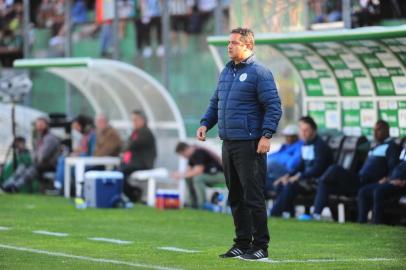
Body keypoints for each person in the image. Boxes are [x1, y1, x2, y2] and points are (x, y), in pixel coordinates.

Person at [197, 27, 282, 260]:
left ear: (248, 46)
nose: (229, 46)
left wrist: (266, 135)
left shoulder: (260, 73)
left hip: (250, 143)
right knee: (235, 196)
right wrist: (206, 123)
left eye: (234, 42)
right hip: (229, 142)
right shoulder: (226, 71)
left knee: (252, 196)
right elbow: (217, 102)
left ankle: (260, 246)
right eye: (229, 42)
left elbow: (273, 106)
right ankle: (242, 243)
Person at [311, 120, 400, 220]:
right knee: (324, 184)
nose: (375, 133)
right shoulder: (375, 146)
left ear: (387, 130)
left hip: (367, 182)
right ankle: (316, 215)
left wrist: (387, 178)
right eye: (374, 130)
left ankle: (318, 180)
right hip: (358, 180)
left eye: (378, 130)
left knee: (334, 169)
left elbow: (394, 167)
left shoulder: (391, 147)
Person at [270, 116, 333, 217]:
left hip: (315, 182)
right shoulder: (306, 144)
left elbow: (317, 169)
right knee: (281, 184)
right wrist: (287, 176)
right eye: (301, 130)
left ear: (314, 130)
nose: (303, 133)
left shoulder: (320, 146)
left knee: (290, 185)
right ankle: (288, 213)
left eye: (306, 130)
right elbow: (301, 165)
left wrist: (298, 176)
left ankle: (274, 213)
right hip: (305, 180)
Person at [2, 117, 60, 193]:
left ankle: (15, 187)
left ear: (46, 125)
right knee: (23, 166)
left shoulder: (50, 138)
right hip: (40, 164)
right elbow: (36, 154)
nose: (39, 126)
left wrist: (34, 155)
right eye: (38, 124)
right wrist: (34, 155)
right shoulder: (38, 137)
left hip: (50, 165)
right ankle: (7, 184)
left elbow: (43, 156)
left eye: (41, 124)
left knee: (33, 168)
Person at [358, 146, 406, 224]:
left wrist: (404, 182)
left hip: (401, 185)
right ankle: (361, 222)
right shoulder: (402, 152)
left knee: (378, 191)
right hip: (392, 181)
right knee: (363, 191)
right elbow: (396, 169)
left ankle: (376, 222)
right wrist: (388, 178)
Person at [173, 142, 223, 208]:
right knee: (188, 178)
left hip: (221, 175)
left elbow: (199, 170)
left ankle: (202, 205)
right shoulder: (191, 156)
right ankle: (190, 204)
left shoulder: (198, 152)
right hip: (210, 175)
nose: (183, 157)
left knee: (198, 178)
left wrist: (181, 175)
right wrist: (180, 174)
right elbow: (189, 171)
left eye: (183, 154)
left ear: (186, 149)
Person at [121, 110, 157, 200]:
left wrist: (126, 146)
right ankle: (134, 193)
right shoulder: (136, 132)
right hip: (134, 163)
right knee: (118, 172)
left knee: (120, 174)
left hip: (143, 164)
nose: (133, 122)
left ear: (142, 120)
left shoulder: (145, 133)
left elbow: (130, 146)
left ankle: (135, 193)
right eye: (132, 120)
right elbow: (124, 146)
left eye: (135, 119)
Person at [265, 124, 303, 193]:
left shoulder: (300, 145)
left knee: (271, 163)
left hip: (289, 172)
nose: (286, 138)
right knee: (263, 162)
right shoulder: (285, 146)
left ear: (295, 136)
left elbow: (293, 164)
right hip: (279, 170)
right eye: (286, 136)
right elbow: (272, 155)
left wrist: (281, 159)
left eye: (289, 136)